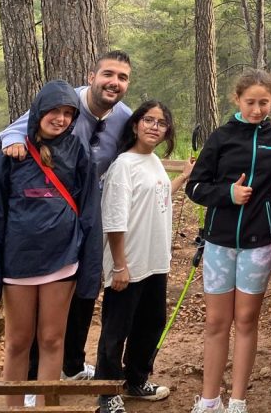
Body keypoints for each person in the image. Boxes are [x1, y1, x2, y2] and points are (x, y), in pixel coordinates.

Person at [0, 50, 134, 386]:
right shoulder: (63, 101)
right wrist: (12, 139)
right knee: (23, 335)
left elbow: (139, 147)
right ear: (92, 76)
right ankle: (26, 389)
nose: (114, 82)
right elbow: (3, 139)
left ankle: (70, 368)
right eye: (108, 74)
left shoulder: (124, 117)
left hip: (78, 223)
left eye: (122, 77)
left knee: (70, 316)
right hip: (28, 240)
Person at [0, 80, 102, 407]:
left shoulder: (79, 151)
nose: (60, 119)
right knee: (18, 342)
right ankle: (14, 408)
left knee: (51, 340)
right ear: (38, 111)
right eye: (54, 111)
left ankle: (49, 408)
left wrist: (91, 271)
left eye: (67, 113)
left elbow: (90, 212)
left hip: (62, 261)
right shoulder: (11, 153)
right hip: (17, 263)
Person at [186, 70, 271, 413]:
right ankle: (209, 400)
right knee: (217, 322)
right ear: (237, 100)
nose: (257, 109)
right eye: (250, 102)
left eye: (264, 102)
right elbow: (195, 187)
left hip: (259, 243)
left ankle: (237, 401)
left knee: (246, 320)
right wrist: (227, 194)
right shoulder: (221, 137)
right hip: (219, 242)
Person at [95, 101, 193, 413]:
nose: (154, 127)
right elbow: (114, 219)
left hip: (155, 260)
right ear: (136, 125)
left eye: (161, 123)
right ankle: (107, 391)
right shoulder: (123, 165)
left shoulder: (152, 161)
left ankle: (136, 380)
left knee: (151, 324)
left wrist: (183, 178)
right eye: (148, 120)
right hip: (128, 262)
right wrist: (119, 266)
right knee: (116, 329)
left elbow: (158, 196)